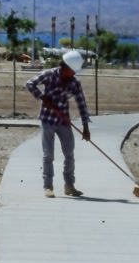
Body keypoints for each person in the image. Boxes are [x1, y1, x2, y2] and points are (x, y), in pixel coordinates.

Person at [25, 50, 91, 198]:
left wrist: (85, 127)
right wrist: (42, 97)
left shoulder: (75, 83)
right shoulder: (49, 74)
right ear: (65, 67)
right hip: (47, 119)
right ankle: (48, 187)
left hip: (64, 121)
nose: (74, 74)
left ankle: (69, 186)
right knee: (48, 155)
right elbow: (29, 83)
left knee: (69, 153)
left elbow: (81, 104)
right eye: (72, 71)